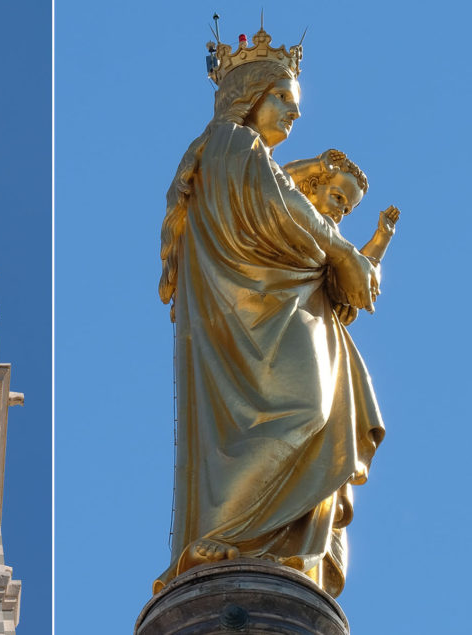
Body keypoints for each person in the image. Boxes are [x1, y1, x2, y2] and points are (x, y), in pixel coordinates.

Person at [155, 29, 385, 598]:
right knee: (304, 412)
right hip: (255, 327)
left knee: (323, 417)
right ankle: (231, 533)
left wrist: (346, 253)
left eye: (295, 105)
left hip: (291, 316)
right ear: (248, 95)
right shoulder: (229, 144)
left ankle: (282, 549)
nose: (291, 114)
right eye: (282, 98)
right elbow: (279, 216)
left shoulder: (252, 158)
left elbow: (292, 211)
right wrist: (340, 251)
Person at [283, 150, 400, 324]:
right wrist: (316, 166)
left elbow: (360, 275)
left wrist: (381, 238)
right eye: (338, 198)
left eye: (346, 210)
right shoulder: (287, 208)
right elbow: (278, 180)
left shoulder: (332, 235)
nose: (340, 211)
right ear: (314, 185)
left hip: (308, 311)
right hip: (276, 293)